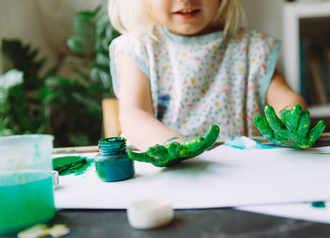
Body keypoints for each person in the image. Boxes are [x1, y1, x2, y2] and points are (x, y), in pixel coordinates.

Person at [108, 0, 308, 151]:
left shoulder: (253, 47)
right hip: (169, 176)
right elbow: (134, 114)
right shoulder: (138, 49)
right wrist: (173, 145)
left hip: (239, 173)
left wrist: (290, 117)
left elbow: (284, 97)